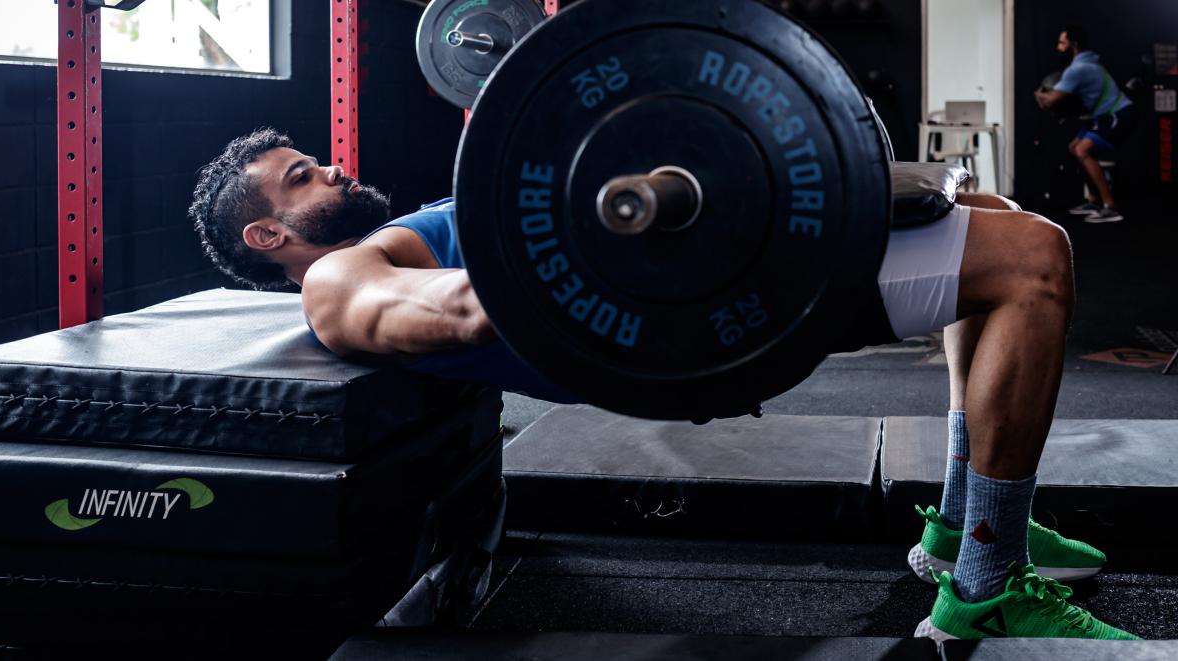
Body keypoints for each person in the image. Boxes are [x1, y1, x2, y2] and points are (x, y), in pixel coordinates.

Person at [189, 128, 1137, 643]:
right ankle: (983, 581)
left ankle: (964, 521)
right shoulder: (336, 281)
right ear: (268, 237)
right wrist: (621, 219)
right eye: (301, 177)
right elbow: (485, 307)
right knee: (1034, 261)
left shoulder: (401, 233)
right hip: (704, 313)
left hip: (702, 254)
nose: (333, 168)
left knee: (989, 212)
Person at [1034, 26, 1136, 223]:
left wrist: (1038, 94)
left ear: (1074, 45)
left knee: (1082, 150)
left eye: (1062, 43)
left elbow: (1051, 101)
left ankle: (1110, 206)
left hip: (1118, 114)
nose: (1058, 47)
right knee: (1075, 147)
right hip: (1104, 116)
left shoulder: (1078, 69)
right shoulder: (1089, 63)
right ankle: (1094, 200)